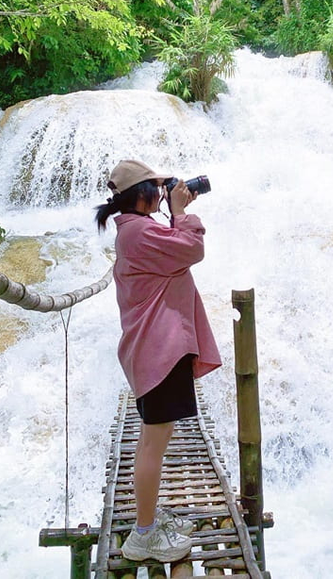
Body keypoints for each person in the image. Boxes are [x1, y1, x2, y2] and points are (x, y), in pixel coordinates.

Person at [96, 159, 221, 563]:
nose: (164, 190)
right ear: (143, 195)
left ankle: (149, 517)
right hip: (159, 351)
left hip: (158, 349)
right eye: (158, 185)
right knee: (152, 444)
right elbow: (192, 249)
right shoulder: (139, 234)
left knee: (153, 441)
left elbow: (175, 249)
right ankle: (143, 536)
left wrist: (174, 212)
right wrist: (181, 213)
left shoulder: (136, 230)